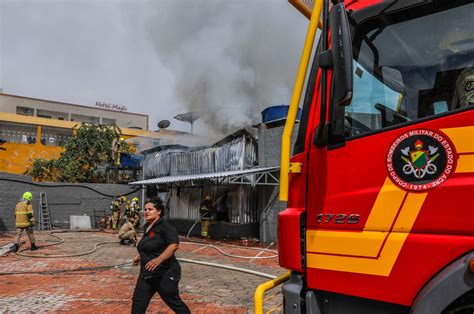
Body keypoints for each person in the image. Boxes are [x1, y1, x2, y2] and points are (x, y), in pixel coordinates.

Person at [131, 198, 190, 314]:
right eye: (145, 209)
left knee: (174, 303)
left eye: (150, 209)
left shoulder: (164, 225)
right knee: (138, 303)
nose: (146, 212)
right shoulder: (147, 226)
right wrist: (140, 256)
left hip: (164, 274)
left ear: (159, 211)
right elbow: (150, 245)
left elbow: (174, 245)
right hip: (146, 275)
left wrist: (158, 260)